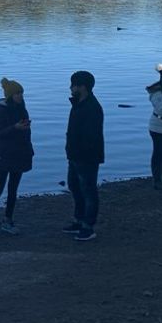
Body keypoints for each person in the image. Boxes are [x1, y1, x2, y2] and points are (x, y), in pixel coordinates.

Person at [0, 77, 34, 235]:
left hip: (19, 154)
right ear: (10, 95)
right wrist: (15, 127)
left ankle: (8, 220)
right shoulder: (0, 110)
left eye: (21, 93)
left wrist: (28, 149)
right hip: (3, 155)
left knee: (13, 190)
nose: (20, 96)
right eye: (17, 93)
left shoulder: (21, 108)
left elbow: (26, 134)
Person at [64, 70, 105, 242]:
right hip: (74, 155)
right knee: (74, 186)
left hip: (86, 157)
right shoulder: (78, 104)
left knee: (88, 190)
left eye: (73, 85)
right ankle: (79, 220)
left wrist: (81, 152)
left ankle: (88, 226)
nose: (70, 88)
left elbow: (91, 136)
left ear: (82, 87)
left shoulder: (92, 107)